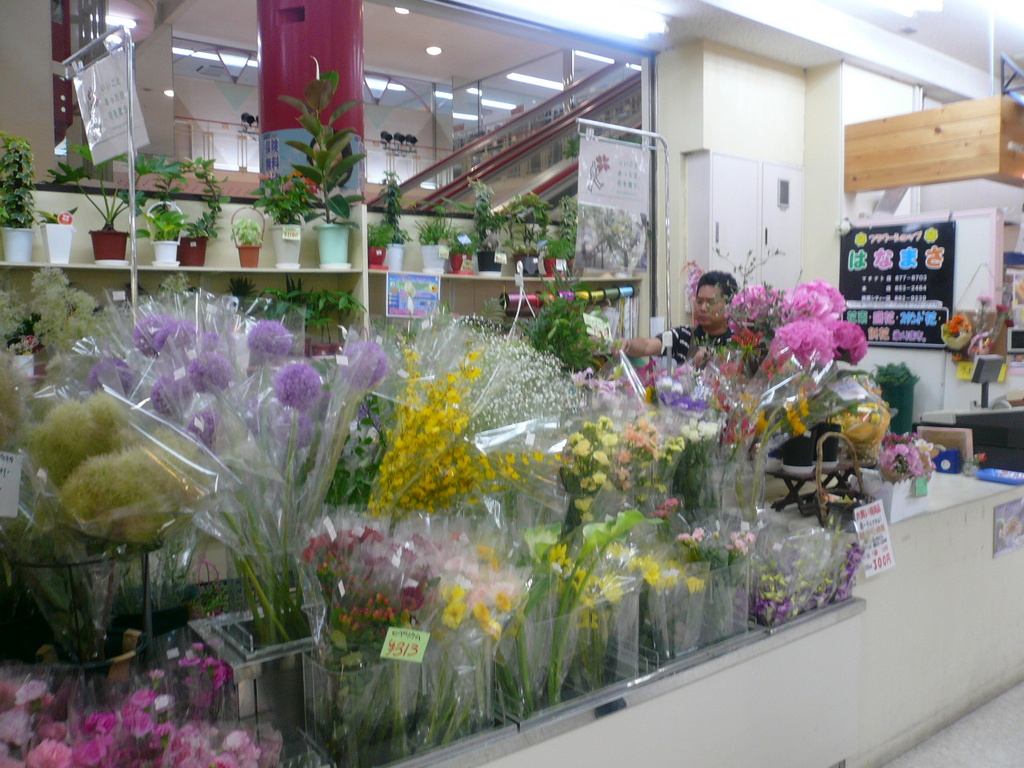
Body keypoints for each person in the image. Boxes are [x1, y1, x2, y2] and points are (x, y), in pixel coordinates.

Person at [619, 270, 739, 364]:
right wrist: (627, 344)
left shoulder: (739, 341)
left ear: (729, 305)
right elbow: (648, 345)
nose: (703, 308)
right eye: (699, 301)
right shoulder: (683, 336)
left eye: (710, 303)